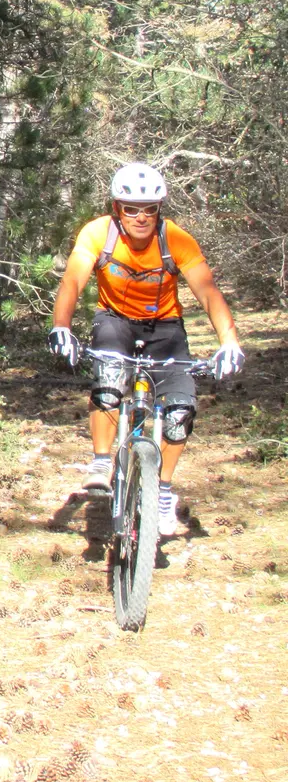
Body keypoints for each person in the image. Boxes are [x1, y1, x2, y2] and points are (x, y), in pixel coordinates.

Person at [48, 162, 245, 537]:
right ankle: (102, 463)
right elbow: (73, 281)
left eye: (150, 208)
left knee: (179, 412)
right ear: (116, 208)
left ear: (160, 210)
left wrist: (229, 341)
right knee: (107, 382)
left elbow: (207, 291)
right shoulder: (98, 234)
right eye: (131, 208)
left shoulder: (176, 240)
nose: (141, 217)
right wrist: (61, 326)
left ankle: (164, 492)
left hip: (165, 329)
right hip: (114, 321)